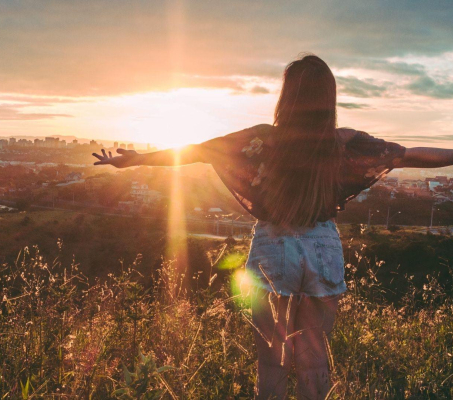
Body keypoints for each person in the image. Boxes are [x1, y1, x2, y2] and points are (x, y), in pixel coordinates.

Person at [93, 54, 453, 399]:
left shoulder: (262, 138)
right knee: (314, 362)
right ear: (329, 97)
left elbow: (197, 151)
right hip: (323, 247)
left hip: (273, 246)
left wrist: (137, 160)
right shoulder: (344, 142)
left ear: (287, 96)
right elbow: (411, 155)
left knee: (272, 362)